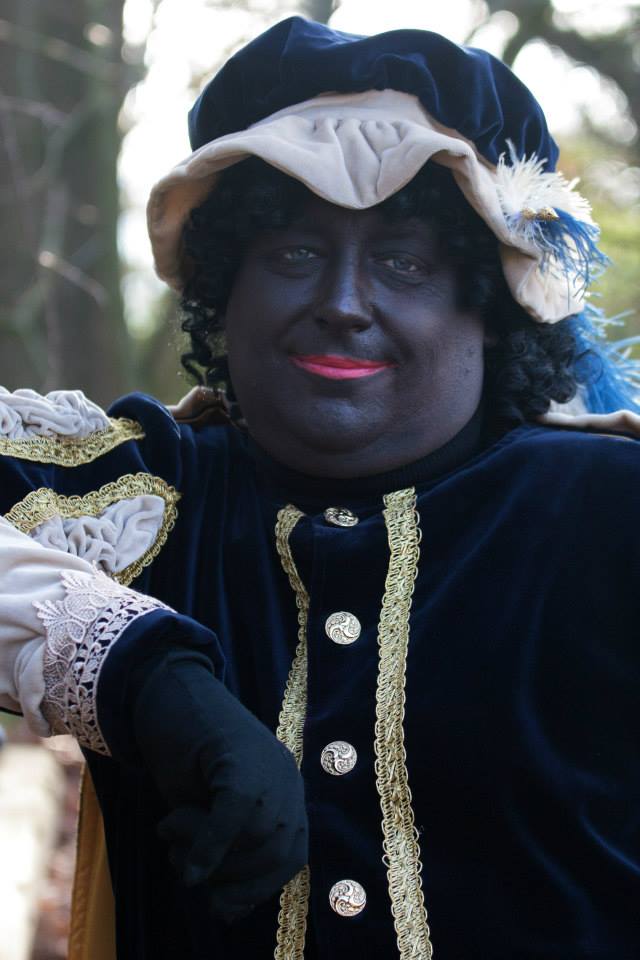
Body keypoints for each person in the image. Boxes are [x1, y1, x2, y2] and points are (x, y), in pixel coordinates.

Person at [1, 16, 639, 960]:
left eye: (404, 262)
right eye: (294, 254)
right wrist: (139, 672)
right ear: (227, 292)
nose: (342, 302)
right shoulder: (147, 488)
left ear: (492, 306)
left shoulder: (606, 507)